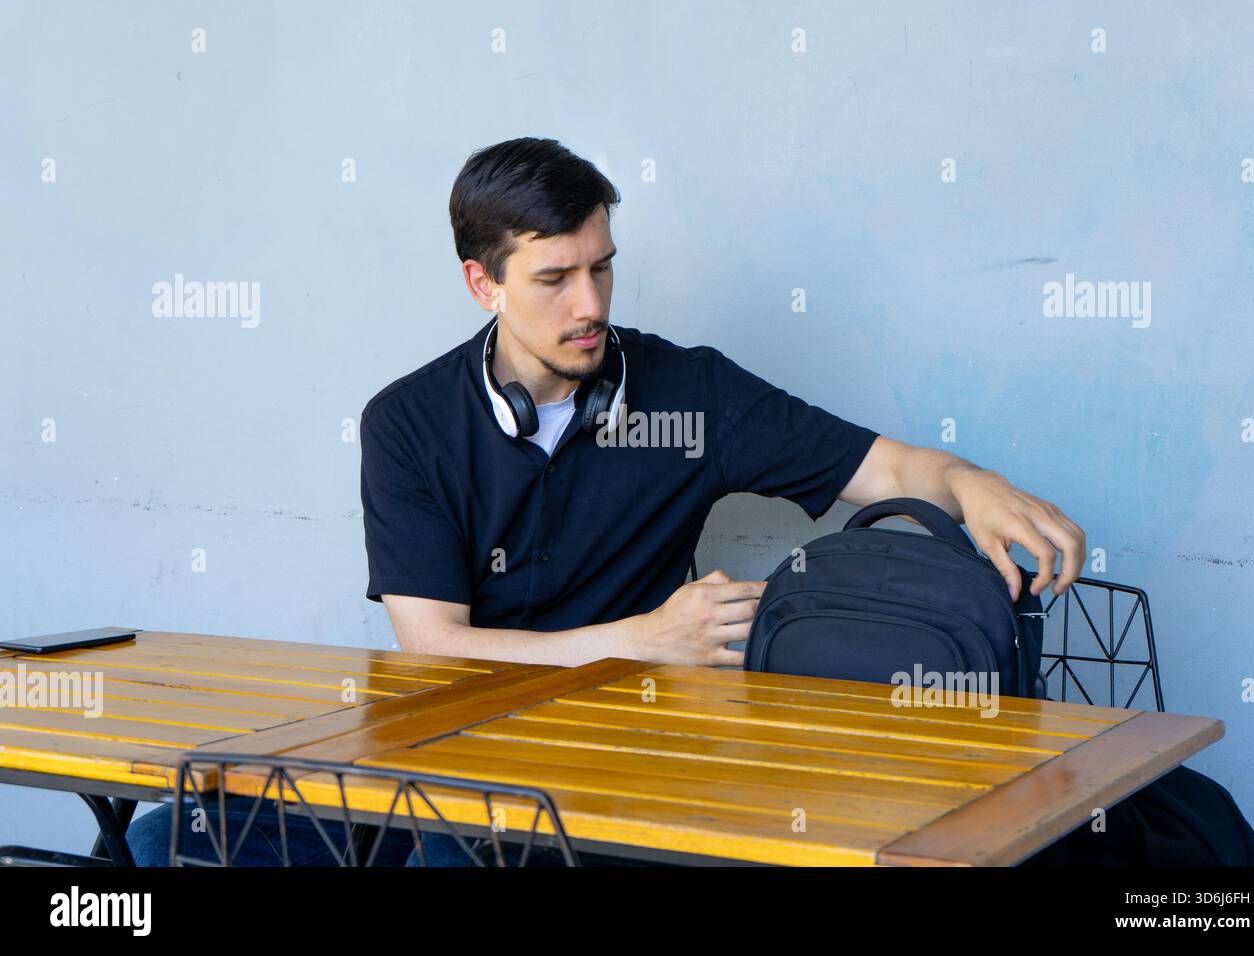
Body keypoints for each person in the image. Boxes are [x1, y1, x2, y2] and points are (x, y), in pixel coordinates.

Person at [127, 136, 1092, 867]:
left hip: (632, 758)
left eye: (602, 266)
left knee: (459, 852)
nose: (589, 303)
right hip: (446, 745)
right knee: (165, 840)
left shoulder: (691, 391)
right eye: (554, 278)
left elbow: (890, 470)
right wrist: (647, 636)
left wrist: (973, 485)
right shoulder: (406, 423)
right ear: (482, 284)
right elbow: (433, 647)